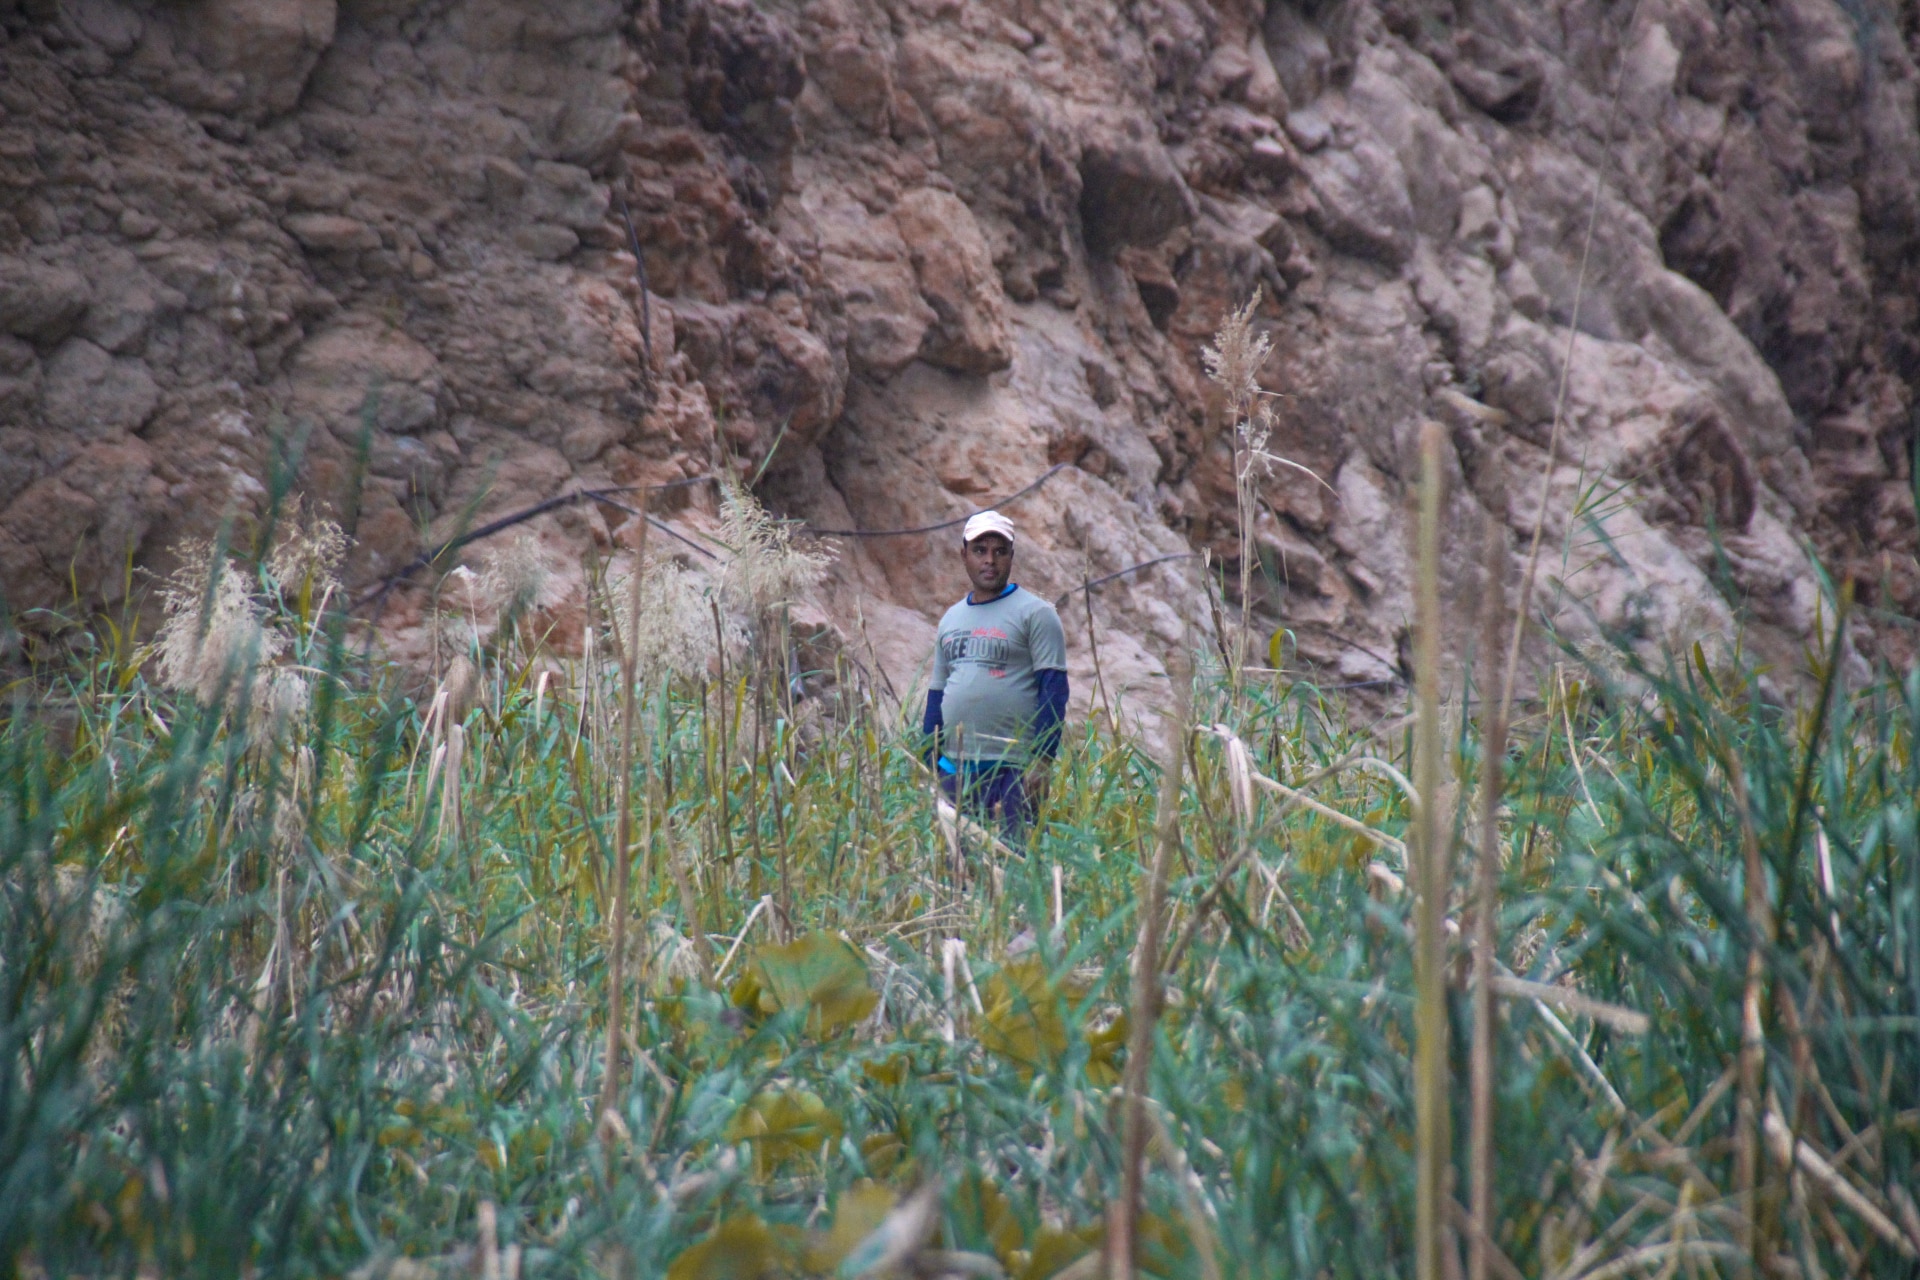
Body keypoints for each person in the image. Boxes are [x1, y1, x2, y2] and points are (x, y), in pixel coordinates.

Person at [922, 510, 1069, 839]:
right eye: (980, 550)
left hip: (1014, 769)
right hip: (955, 768)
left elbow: (1054, 691)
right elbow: (937, 694)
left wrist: (1041, 761)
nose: (990, 560)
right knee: (956, 860)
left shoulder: (1037, 614)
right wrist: (927, 761)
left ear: (1011, 556)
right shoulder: (951, 619)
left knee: (1014, 857)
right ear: (964, 555)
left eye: (1000, 551)